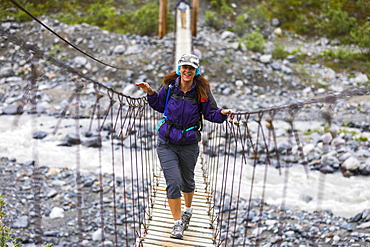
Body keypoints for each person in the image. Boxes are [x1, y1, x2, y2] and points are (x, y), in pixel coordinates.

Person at [136, 54, 232, 239]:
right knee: (173, 182)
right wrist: (149, 92)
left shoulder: (201, 91)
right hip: (166, 141)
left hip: (189, 142)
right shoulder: (170, 86)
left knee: (187, 181)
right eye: (185, 67)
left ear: (196, 71)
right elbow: (158, 105)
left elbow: (210, 113)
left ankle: (188, 210)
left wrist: (223, 113)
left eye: (191, 68)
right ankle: (177, 223)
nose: (187, 71)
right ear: (180, 68)